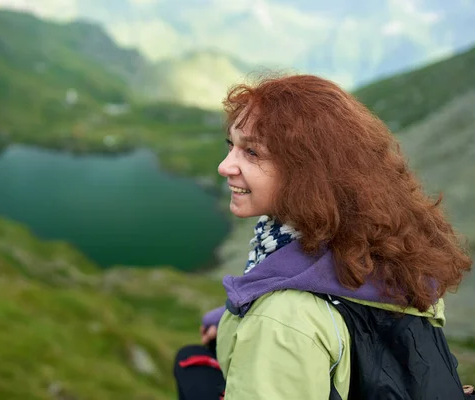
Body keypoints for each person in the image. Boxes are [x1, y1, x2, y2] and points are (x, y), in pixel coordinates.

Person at [173, 73, 473, 399]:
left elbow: (293, 325)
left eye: (253, 153)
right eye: (232, 145)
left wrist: (260, 319)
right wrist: (238, 315)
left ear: (307, 171)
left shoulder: (280, 320)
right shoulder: (386, 252)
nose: (224, 166)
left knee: (189, 364)